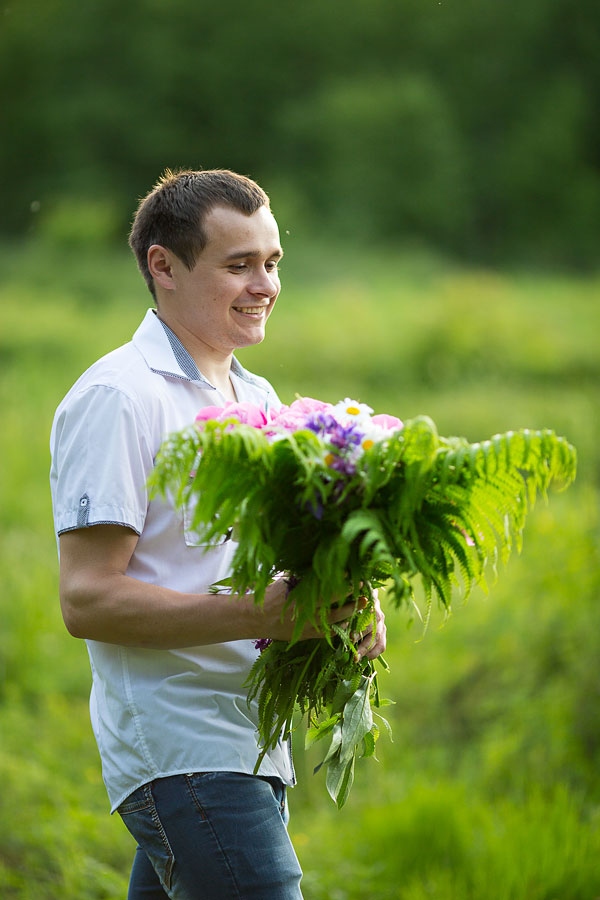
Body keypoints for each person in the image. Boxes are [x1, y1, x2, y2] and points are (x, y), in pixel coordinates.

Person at [50, 168, 387, 900]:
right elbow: (88, 601)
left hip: (251, 742)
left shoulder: (258, 397)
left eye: (271, 264)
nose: (264, 284)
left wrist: (345, 602)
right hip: (183, 749)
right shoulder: (119, 397)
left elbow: (271, 559)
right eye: (238, 265)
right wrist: (262, 616)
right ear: (162, 266)